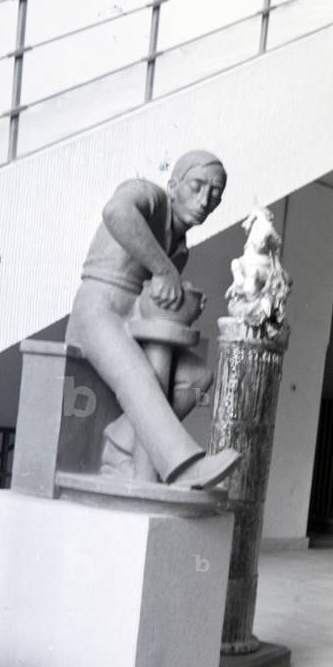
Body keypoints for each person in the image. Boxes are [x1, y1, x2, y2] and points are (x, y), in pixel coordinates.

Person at [66, 150, 241, 489]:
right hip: (98, 308)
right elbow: (116, 212)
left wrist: (184, 298)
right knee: (140, 374)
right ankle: (183, 466)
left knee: (197, 374)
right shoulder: (148, 195)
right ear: (173, 184)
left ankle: (120, 447)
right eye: (196, 186)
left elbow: (158, 295)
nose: (205, 200)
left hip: (133, 319)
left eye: (215, 195)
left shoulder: (181, 250)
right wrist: (164, 270)